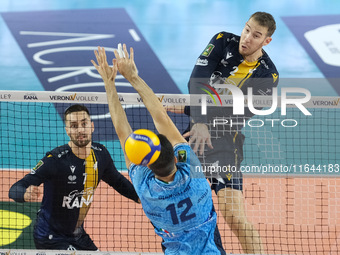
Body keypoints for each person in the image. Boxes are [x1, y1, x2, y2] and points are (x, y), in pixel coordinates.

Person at [91, 44, 226, 254]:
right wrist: (133, 76)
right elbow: (160, 118)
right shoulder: (193, 173)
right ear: (175, 157)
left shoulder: (144, 188)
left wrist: (110, 83)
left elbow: (122, 132)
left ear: (148, 165)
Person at [181, 12, 279, 254]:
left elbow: (239, 114)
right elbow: (196, 81)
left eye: (256, 35)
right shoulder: (223, 40)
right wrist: (199, 121)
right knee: (186, 211)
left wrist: (191, 111)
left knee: (233, 216)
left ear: (266, 41)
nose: (246, 38)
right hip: (193, 132)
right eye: (246, 30)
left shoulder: (268, 76)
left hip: (225, 140)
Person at [8, 104, 140, 251]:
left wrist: (141, 197)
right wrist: (24, 193)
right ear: (67, 131)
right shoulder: (55, 160)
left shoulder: (101, 154)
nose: (80, 130)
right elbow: (15, 189)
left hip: (77, 234)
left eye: (84, 124)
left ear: (92, 126)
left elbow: (118, 182)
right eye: (74, 126)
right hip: (51, 236)